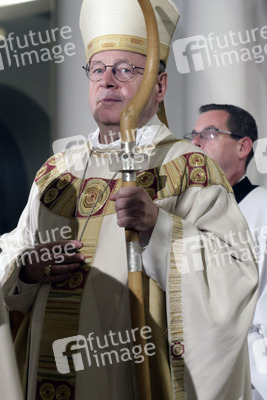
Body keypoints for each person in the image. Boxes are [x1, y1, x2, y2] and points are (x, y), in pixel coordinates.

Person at [0, 3, 258, 400]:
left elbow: (235, 277)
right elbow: (12, 253)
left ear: (160, 86)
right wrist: (28, 271)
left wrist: (159, 227)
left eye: (125, 69)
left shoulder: (189, 166)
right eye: (97, 69)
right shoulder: (57, 172)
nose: (107, 81)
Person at [187, 103, 267, 400]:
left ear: (243, 146)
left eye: (208, 134)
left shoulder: (262, 210)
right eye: (193, 136)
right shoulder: (186, 217)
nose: (196, 143)